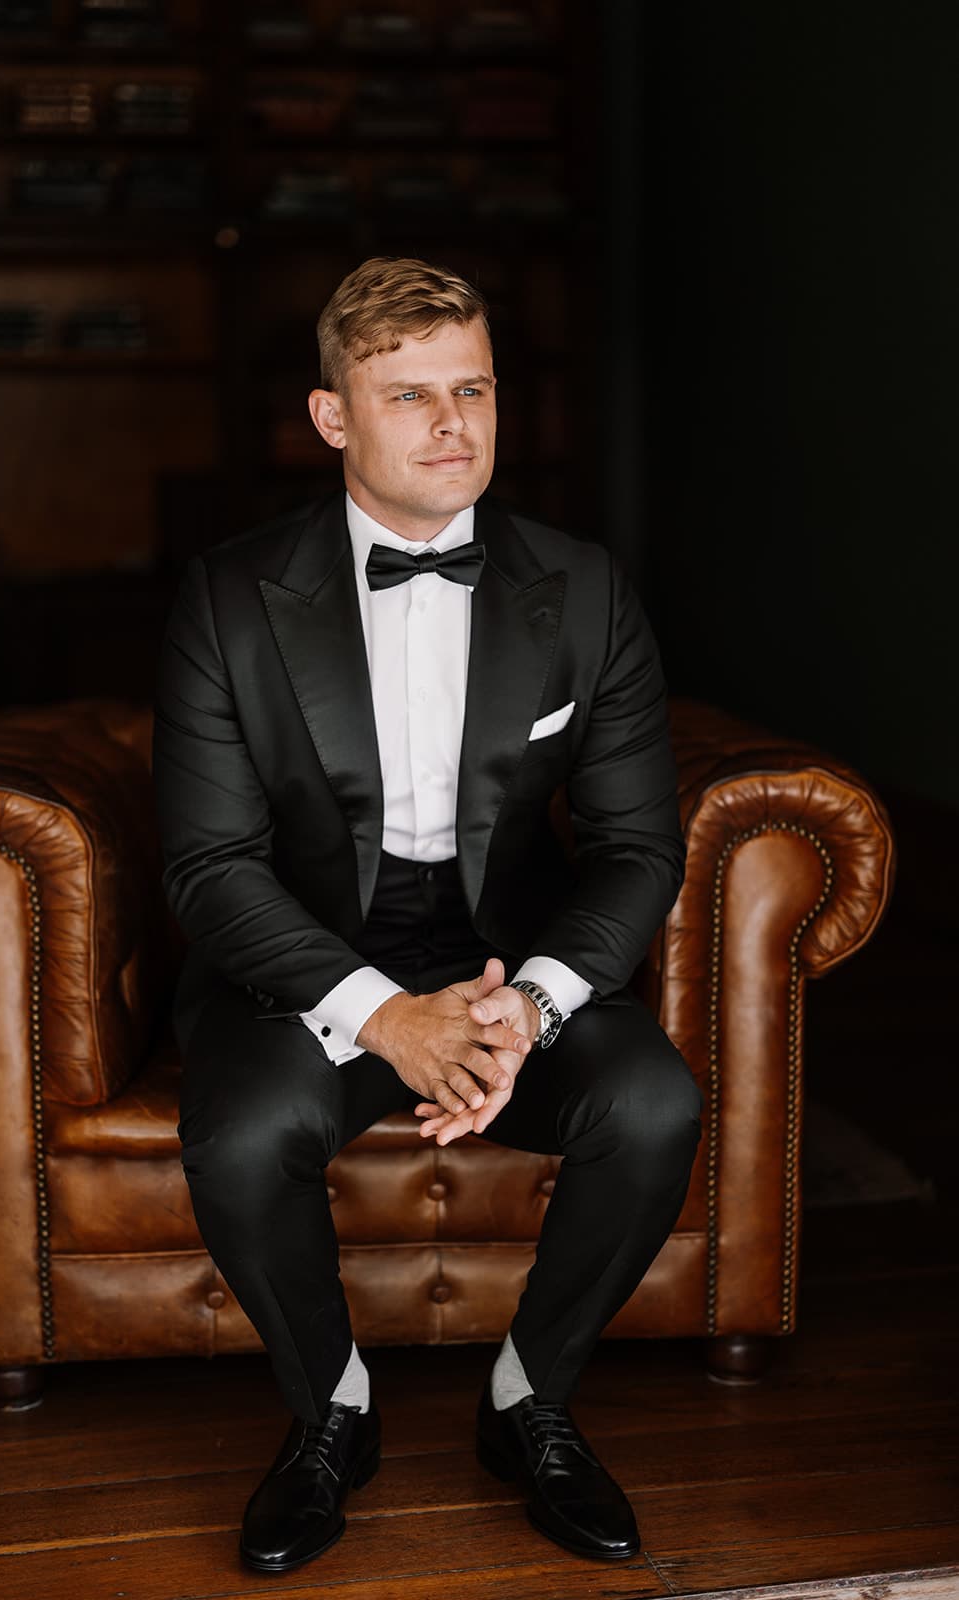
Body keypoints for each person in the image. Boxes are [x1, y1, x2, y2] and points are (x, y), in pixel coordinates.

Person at [152, 256, 703, 1575]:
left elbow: (636, 847)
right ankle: (332, 1411)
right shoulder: (231, 600)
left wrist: (534, 1001)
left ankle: (530, 1402)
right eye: (411, 397)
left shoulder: (583, 588)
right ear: (334, 418)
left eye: (474, 388)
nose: (454, 424)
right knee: (239, 1136)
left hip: (506, 952)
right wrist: (383, 1016)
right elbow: (210, 865)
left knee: (655, 1104)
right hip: (303, 956)